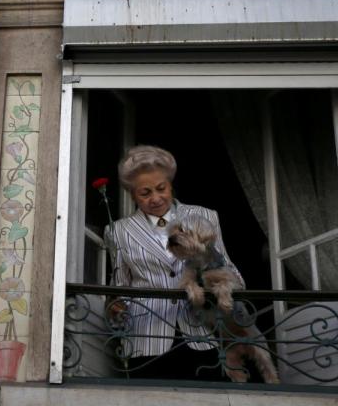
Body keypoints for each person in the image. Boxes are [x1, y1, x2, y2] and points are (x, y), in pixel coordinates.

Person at [104, 145, 244, 380]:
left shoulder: (205, 216)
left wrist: (219, 288)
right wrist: (116, 306)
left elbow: (227, 269)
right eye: (145, 193)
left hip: (202, 334)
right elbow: (120, 287)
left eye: (161, 188)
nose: (155, 198)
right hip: (147, 339)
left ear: (170, 185)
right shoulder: (118, 231)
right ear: (132, 195)